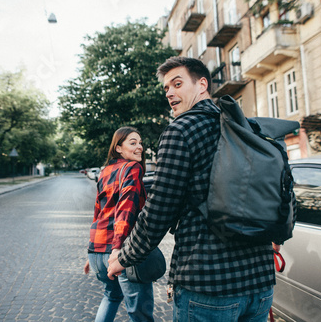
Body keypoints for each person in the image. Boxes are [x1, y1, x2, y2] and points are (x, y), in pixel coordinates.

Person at [108, 57, 279, 322]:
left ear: (202, 84)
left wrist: (124, 257)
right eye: (166, 88)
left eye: (177, 84)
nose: (170, 93)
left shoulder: (181, 130)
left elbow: (160, 210)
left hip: (208, 286)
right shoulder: (246, 127)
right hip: (260, 284)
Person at [83, 126, 154, 322]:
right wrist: (116, 249)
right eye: (133, 143)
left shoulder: (105, 171)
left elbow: (99, 212)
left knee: (111, 297)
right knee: (140, 315)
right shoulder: (133, 168)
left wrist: (94, 251)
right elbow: (126, 208)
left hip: (97, 252)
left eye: (140, 143)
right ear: (119, 148)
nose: (139, 147)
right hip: (120, 252)